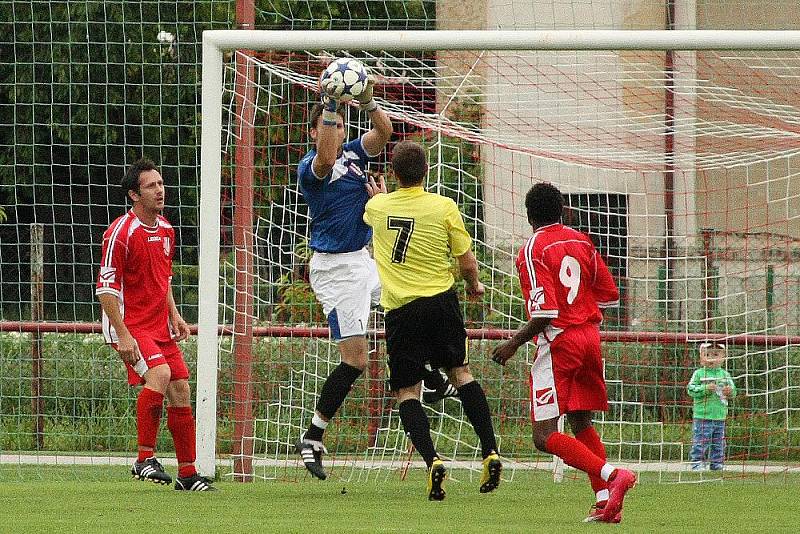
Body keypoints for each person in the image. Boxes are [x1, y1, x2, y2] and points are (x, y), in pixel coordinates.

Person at [363, 140, 502, 501]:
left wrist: (379, 195)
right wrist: (473, 285)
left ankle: (432, 461)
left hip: (402, 310)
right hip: (442, 303)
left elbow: (374, 210)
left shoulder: (378, 207)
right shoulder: (444, 207)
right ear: (426, 172)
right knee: (461, 373)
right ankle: (490, 450)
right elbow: (467, 261)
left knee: (407, 392)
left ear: (393, 174)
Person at [490, 182, 635, 523]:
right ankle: (604, 501)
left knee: (543, 436)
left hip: (561, 344)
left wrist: (513, 343)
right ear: (563, 211)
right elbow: (609, 291)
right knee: (580, 419)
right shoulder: (581, 240)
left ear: (528, 216)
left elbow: (545, 313)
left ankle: (614, 476)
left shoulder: (533, 248)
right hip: (590, 337)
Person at [293, 66, 393, 481]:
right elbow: (329, 155)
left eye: (335, 122)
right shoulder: (312, 169)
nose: (333, 131)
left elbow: (384, 133)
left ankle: (430, 372)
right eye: (326, 126)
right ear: (314, 133)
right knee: (355, 360)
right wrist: (332, 101)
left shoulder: (354, 152)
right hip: (335, 269)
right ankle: (313, 436)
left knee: (414, 298)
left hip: (363, 260)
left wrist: (367, 99)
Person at [96, 158, 215, 491]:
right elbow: (105, 287)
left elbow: (164, 279)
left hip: (158, 323)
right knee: (160, 375)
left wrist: (174, 314)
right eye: (151, 185)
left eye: (161, 183)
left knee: (180, 389)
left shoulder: (165, 229)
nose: (160, 190)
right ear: (134, 194)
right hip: (129, 324)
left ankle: (188, 474)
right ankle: (143, 459)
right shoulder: (121, 231)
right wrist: (123, 335)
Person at [687, 341, 736, 471]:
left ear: (723, 357)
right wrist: (705, 388)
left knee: (719, 443)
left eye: (716, 354)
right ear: (701, 357)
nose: (712, 358)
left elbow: (733, 391)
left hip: (720, 416)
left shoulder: (725, 375)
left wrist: (729, 391)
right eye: (707, 354)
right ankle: (697, 462)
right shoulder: (699, 374)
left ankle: (717, 463)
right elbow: (690, 389)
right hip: (702, 416)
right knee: (700, 442)